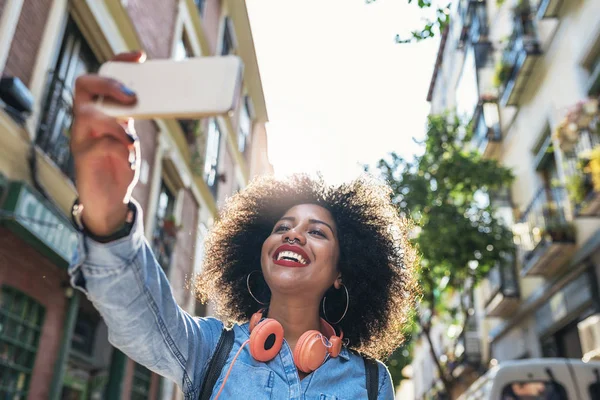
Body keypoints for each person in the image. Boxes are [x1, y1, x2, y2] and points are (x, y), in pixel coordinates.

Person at [68, 51, 418, 399]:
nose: (293, 234)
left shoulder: (372, 382)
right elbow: (140, 320)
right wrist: (107, 216)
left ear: (341, 272)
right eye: (282, 227)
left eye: (316, 232)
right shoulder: (210, 351)